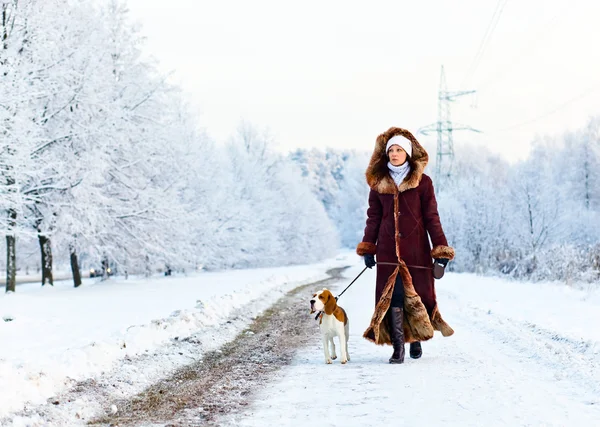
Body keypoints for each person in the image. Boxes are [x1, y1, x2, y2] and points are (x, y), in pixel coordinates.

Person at [356, 127, 455, 364]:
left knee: (417, 296)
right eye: (391, 150)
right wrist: (369, 247)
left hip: (416, 250)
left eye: (399, 149)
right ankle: (398, 348)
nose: (394, 153)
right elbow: (373, 217)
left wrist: (440, 249)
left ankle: (416, 339)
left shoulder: (423, 182)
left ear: (408, 153)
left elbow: (432, 217)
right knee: (394, 297)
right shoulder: (378, 183)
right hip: (388, 251)